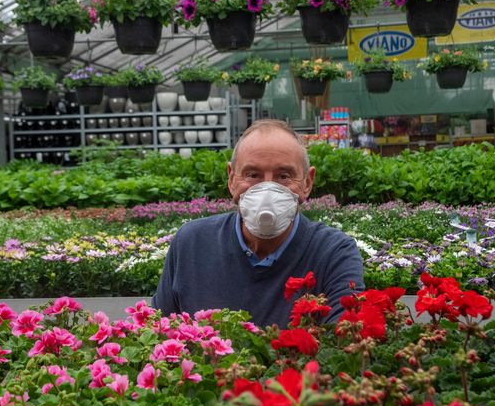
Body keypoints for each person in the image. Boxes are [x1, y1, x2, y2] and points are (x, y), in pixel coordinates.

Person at [151, 119, 364, 327]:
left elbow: (345, 340)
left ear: (307, 183)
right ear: (232, 180)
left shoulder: (333, 253)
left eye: (283, 176)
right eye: (253, 175)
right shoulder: (192, 243)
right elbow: (158, 333)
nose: (267, 190)